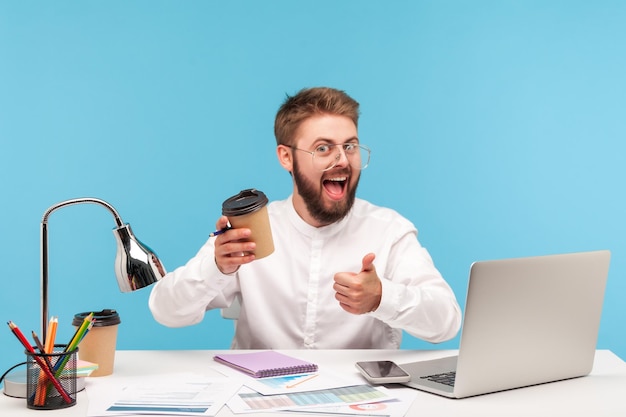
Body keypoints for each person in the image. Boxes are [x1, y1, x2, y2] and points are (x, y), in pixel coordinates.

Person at [149, 87, 461, 349]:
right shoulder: (251, 229)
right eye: (323, 148)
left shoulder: (389, 230)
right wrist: (216, 267)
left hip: (361, 400)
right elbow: (166, 311)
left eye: (350, 146)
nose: (342, 160)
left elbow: (446, 321)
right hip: (259, 400)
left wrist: (383, 297)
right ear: (287, 157)